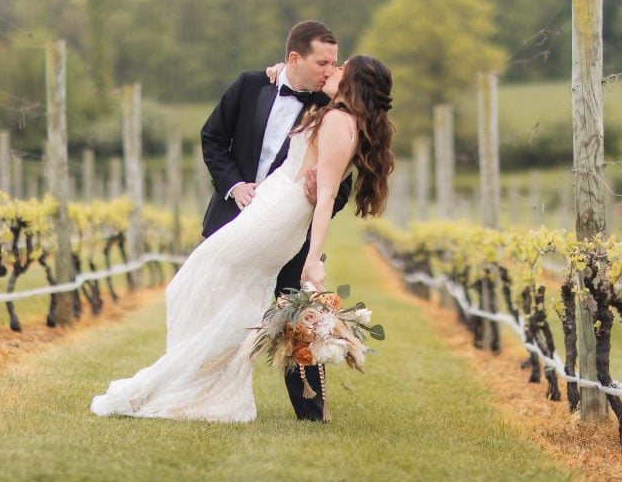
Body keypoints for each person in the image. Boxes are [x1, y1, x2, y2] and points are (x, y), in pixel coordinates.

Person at [90, 54, 395, 424]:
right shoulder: (341, 117)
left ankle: (178, 383)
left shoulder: (336, 120)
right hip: (271, 207)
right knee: (233, 300)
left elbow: (328, 194)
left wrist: (314, 258)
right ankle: (200, 385)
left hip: (277, 216)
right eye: (329, 64)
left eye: (340, 68)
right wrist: (279, 71)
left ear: (354, 83)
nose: (332, 70)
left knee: (193, 284)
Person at [198, 20, 353, 420]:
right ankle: (202, 393)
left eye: (334, 63)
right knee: (218, 312)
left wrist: (317, 201)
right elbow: (213, 138)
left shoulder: (332, 107)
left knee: (300, 313)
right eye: (323, 62)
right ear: (294, 58)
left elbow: (343, 182)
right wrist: (235, 186)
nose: (330, 71)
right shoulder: (250, 85)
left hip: (290, 230)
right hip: (234, 220)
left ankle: (311, 410)